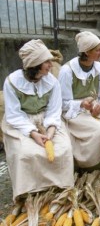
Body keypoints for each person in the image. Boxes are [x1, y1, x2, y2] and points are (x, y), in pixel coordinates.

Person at [1, 39, 74, 201]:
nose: (50, 64)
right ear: (35, 64)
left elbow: (54, 110)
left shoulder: (52, 81)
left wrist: (50, 130)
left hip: (47, 120)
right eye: (47, 61)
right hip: (20, 123)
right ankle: (31, 191)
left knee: (64, 149)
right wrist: (33, 133)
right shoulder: (12, 82)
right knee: (25, 153)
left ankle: (58, 187)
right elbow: (13, 114)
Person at [58, 31, 100, 172]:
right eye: (98, 50)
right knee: (99, 130)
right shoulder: (67, 71)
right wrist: (81, 104)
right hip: (74, 112)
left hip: (94, 108)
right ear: (87, 52)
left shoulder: (99, 69)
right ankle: (91, 165)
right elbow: (63, 103)